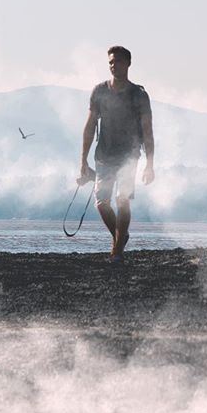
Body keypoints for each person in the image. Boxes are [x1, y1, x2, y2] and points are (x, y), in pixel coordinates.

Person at [80, 46, 155, 262]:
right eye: (111, 62)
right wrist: (83, 161)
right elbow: (89, 126)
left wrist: (150, 164)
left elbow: (148, 131)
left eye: (119, 62)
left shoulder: (138, 95)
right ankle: (121, 237)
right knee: (101, 202)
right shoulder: (99, 91)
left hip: (129, 156)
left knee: (122, 199)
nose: (114, 66)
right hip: (103, 155)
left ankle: (117, 252)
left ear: (128, 64)